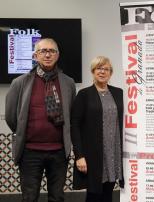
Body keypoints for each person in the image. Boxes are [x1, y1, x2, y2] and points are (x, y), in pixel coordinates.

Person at [5, 38, 76, 202]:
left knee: (57, 197)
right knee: (29, 198)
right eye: (43, 51)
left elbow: (71, 114)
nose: (48, 54)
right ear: (35, 56)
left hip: (59, 151)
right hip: (30, 152)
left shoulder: (68, 83)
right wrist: (24, 132)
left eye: (52, 51)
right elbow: (10, 116)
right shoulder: (19, 83)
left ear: (57, 55)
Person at [71, 56, 124, 202]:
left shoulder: (118, 93)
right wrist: (79, 155)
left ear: (111, 73)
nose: (102, 72)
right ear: (93, 71)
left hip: (113, 153)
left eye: (106, 69)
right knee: (94, 195)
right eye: (98, 68)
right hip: (93, 154)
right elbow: (74, 126)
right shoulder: (84, 94)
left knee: (108, 194)